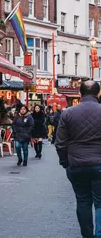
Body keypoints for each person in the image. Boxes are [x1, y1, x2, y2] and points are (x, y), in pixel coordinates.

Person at [55, 81, 101, 238]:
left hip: (77, 163)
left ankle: (87, 235)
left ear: (79, 94)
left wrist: (64, 161)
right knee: (100, 202)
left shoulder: (67, 113)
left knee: (83, 201)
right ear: (99, 93)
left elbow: (60, 142)